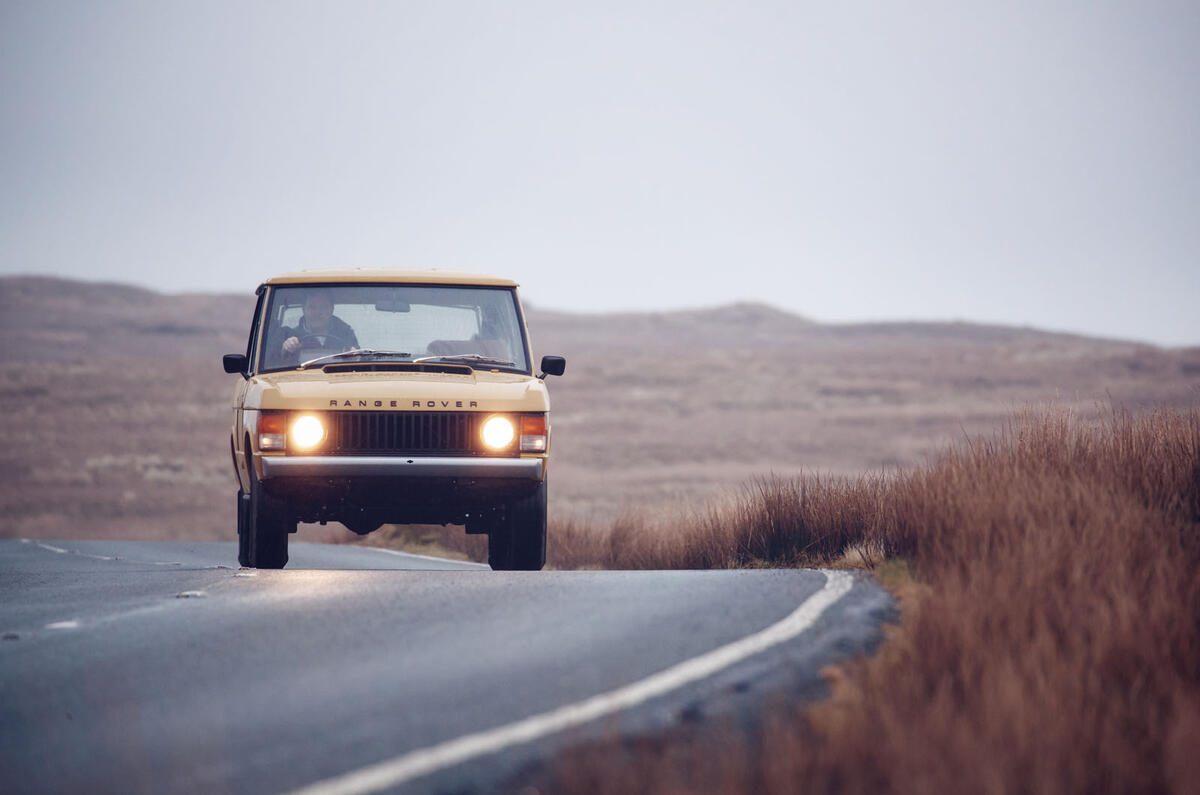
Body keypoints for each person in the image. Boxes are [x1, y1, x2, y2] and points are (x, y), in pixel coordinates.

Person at [277, 289, 359, 362]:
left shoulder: (346, 334)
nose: (317, 312)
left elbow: (364, 362)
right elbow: (272, 365)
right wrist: (284, 350)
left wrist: (356, 357)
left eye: (323, 307)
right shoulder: (289, 335)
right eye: (312, 307)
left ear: (331, 309)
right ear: (303, 309)